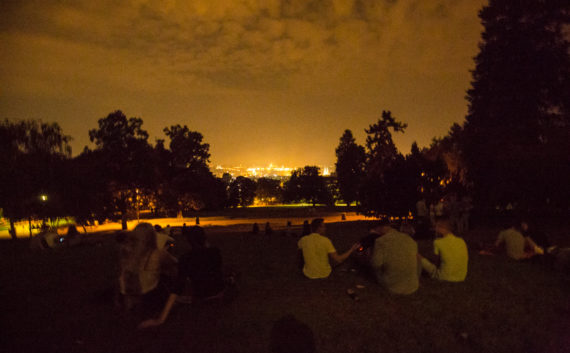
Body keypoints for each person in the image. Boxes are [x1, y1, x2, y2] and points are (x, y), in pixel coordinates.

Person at [138, 226, 225, 328]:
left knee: (170, 291)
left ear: (189, 241)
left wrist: (160, 320)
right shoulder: (216, 252)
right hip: (219, 293)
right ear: (205, 238)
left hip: (201, 297)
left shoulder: (186, 259)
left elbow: (177, 288)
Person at [118, 223, 177, 311]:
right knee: (169, 275)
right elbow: (175, 264)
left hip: (125, 297)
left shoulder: (127, 253)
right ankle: (173, 298)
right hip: (148, 298)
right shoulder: (158, 254)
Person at [370, 219, 420, 295]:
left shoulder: (380, 241)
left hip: (393, 287)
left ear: (381, 228)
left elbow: (376, 264)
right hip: (413, 285)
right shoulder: (410, 239)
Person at [419, 217, 468, 282]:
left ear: (441, 228)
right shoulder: (461, 241)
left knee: (417, 256)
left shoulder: (437, 242)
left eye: (436, 227)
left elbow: (436, 263)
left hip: (444, 277)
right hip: (461, 277)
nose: (435, 230)